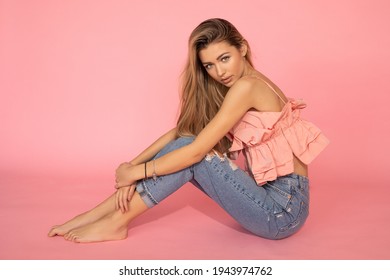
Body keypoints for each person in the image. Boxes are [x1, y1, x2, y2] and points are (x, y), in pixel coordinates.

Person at [48, 18, 329, 243]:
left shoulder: (248, 87)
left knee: (197, 155)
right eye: (209, 65)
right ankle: (95, 215)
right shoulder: (242, 85)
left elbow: (195, 151)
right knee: (188, 141)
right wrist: (131, 166)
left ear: (242, 48)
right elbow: (180, 134)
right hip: (272, 199)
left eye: (224, 58)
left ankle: (116, 222)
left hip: (282, 213)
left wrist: (136, 173)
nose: (219, 72)